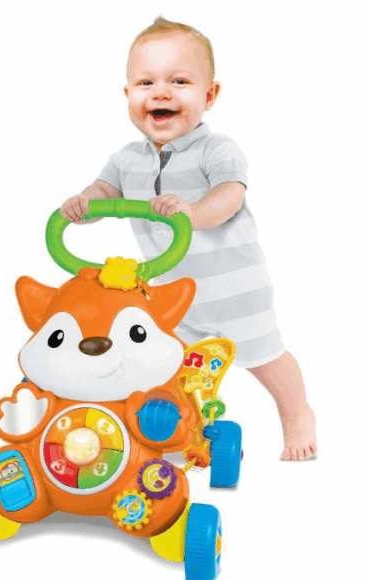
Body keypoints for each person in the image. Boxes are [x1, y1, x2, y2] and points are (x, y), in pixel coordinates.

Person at [60, 17, 317, 461]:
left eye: (179, 81)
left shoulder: (217, 149)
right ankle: (181, 431)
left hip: (235, 292)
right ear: (128, 94)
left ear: (209, 95)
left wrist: (193, 213)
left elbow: (230, 196)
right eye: (146, 82)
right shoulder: (125, 159)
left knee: (264, 358)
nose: (161, 92)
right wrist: (84, 205)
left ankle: (296, 414)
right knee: (167, 368)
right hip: (173, 295)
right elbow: (103, 192)